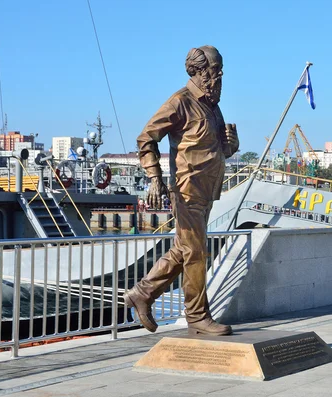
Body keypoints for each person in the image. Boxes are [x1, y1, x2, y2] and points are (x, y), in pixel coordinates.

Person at [123, 45, 239, 336]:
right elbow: (146, 139)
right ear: (198, 72)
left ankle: (142, 293)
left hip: (207, 189)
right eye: (215, 71)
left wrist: (232, 145)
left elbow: (219, 150)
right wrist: (154, 177)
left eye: (220, 70)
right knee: (196, 252)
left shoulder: (213, 107)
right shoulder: (180, 102)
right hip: (185, 190)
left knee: (183, 250)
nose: (220, 76)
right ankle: (197, 316)